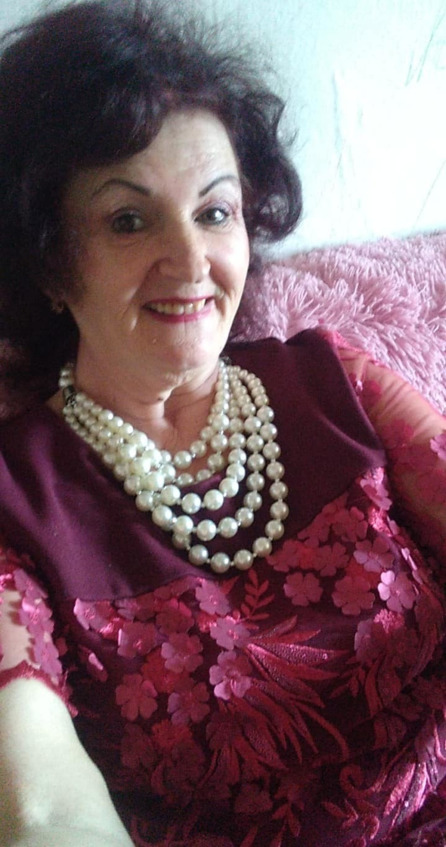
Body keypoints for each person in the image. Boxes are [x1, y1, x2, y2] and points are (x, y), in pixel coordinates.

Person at [0, 1, 445, 845]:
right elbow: (42, 800)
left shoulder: (335, 378)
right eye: (128, 220)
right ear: (48, 262)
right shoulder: (16, 494)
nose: (191, 258)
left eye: (214, 212)